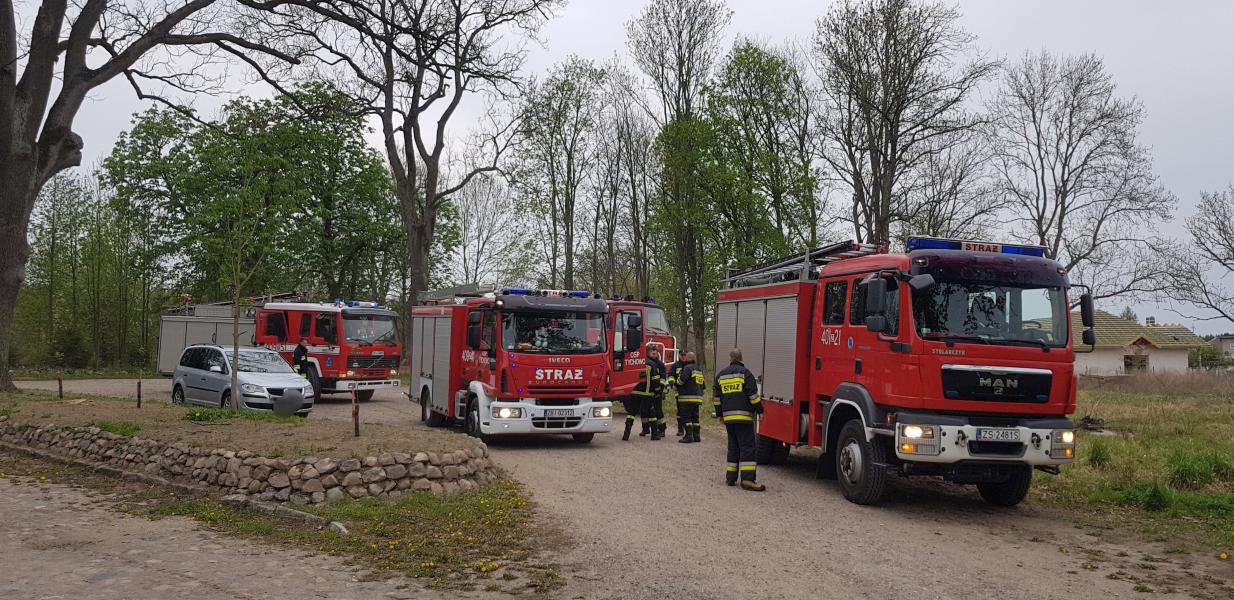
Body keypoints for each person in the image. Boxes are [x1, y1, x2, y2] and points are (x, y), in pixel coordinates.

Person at [715, 348, 765, 491]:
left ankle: (730, 478)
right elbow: (753, 396)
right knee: (747, 447)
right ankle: (748, 480)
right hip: (743, 418)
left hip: (729, 419)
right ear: (741, 358)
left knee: (733, 446)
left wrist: (720, 415)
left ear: (730, 358)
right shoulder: (746, 374)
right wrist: (760, 410)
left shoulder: (721, 375)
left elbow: (717, 399)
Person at [675, 351, 705, 444]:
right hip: (697, 398)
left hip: (687, 397)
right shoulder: (699, 369)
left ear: (687, 359)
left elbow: (682, 380)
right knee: (695, 418)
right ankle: (697, 436)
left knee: (686, 417)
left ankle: (688, 436)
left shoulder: (687, 368)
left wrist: (676, 384)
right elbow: (703, 385)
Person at [667, 355, 686, 436]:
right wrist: (672, 384)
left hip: (689, 393)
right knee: (680, 411)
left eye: (685, 355)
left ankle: (689, 430)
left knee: (689, 412)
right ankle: (680, 429)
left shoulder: (689, 365)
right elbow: (671, 375)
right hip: (679, 392)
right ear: (679, 355)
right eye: (682, 355)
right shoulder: (675, 365)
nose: (683, 357)